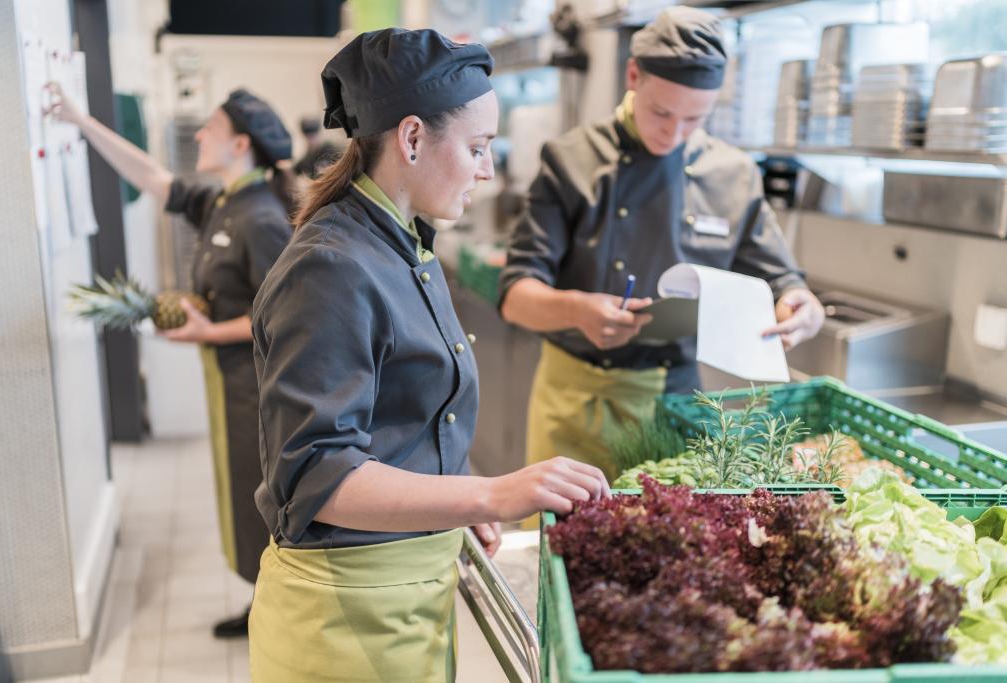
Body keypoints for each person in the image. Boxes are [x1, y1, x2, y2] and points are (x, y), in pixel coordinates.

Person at [248, 28, 609, 682]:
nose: (488, 169)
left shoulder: (406, 245)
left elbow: (405, 422)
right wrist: (491, 492)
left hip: (405, 597)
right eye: (477, 147)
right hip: (343, 620)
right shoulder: (330, 268)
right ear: (412, 138)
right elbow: (318, 475)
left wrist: (454, 509)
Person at [497, 6, 826, 481]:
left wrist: (801, 304)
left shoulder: (733, 174)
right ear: (633, 75)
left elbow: (782, 282)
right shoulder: (571, 160)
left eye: (694, 119)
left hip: (675, 403)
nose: (673, 134)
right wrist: (578, 311)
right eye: (661, 112)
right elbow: (515, 298)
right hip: (575, 402)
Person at [48, 85, 293, 638]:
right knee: (242, 490)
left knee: (260, 492)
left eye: (211, 127)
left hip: (256, 386)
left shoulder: (262, 218)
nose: (200, 135)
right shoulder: (224, 201)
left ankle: (277, 611)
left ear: (240, 144)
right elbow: (153, 179)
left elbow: (285, 313)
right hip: (225, 377)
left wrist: (210, 329)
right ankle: (264, 602)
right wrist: (82, 123)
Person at [293, 115, 344, 179]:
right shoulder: (307, 158)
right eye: (309, 137)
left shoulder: (332, 150)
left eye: (313, 136)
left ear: (318, 134)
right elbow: (295, 170)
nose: (311, 141)